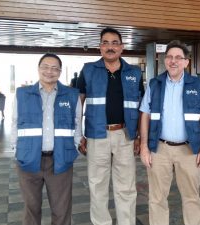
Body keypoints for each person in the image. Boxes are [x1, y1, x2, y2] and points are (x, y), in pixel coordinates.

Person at [76, 27, 144, 225]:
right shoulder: (88, 70)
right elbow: (79, 105)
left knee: (126, 187)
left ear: (122, 48)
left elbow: (141, 107)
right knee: (97, 186)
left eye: (115, 43)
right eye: (105, 43)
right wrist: (79, 135)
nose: (110, 47)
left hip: (125, 135)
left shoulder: (134, 72)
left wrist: (139, 136)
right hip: (97, 136)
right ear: (100, 47)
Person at [140, 40, 200, 225]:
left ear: (186, 62)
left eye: (178, 57)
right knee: (157, 198)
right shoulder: (154, 84)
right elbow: (145, 115)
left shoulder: (197, 84)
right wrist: (144, 147)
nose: (173, 61)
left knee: (191, 198)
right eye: (169, 57)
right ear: (165, 60)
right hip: (159, 148)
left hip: (189, 150)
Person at [10, 53, 82, 225]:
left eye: (54, 68)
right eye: (45, 67)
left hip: (60, 161)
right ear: (38, 69)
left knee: (62, 209)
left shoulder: (72, 95)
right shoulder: (23, 94)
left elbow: (78, 123)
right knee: (31, 208)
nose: (49, 71)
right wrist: (16, 151)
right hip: (28, 160)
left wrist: (76, 147)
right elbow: (14, 123)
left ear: (60, 71)